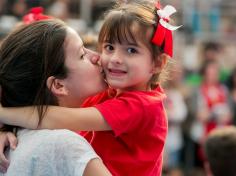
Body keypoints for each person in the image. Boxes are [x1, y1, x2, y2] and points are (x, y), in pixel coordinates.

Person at [0, 1, 181, 175]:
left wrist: (4, 114)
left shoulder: (144, 106)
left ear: (158, 63)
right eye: (109, 47)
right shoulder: (109, 95)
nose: (114, 58)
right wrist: (5, 129)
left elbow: (56, 118)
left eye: (131, 50)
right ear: (57, 85)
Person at [0, 19, 111, 176]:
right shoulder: (64, 144)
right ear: (58, 85)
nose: (97, 57)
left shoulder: (13, 140)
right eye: (82, 54)